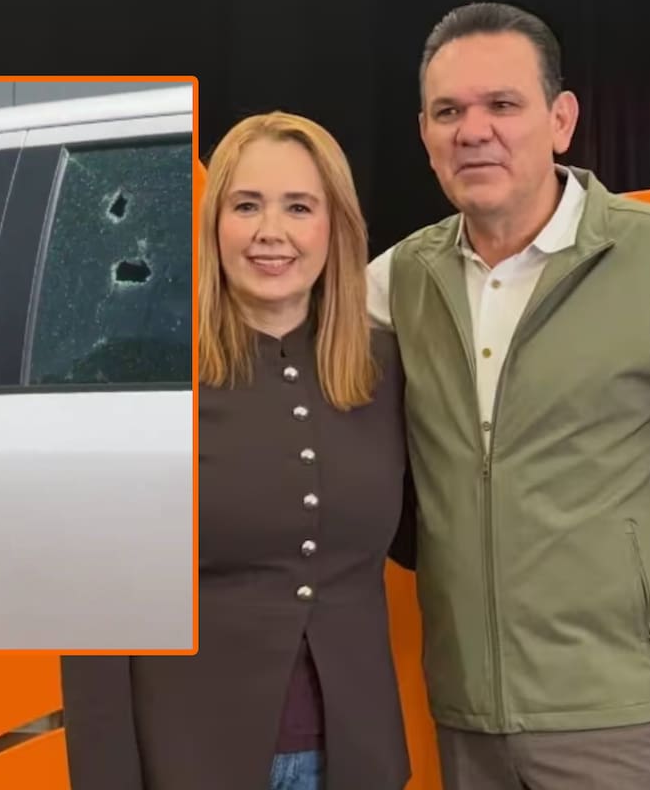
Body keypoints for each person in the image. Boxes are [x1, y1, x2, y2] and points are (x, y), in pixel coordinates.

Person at [366, 2, 650, 790]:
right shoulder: (397, 281)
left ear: (561, 120)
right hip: (467, 714)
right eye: (449, 112)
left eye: (503, 104)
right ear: (425, 134)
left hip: (623, 714)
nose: (473, 131)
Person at [60, 111, 415, 790]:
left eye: (299, 207)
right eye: (246, 205)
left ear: (335, 227)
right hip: (192, 764)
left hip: (357, 760)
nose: (270, 231)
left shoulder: (384, 369)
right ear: (213, 223)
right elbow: (97, 622)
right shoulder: (139, 374)